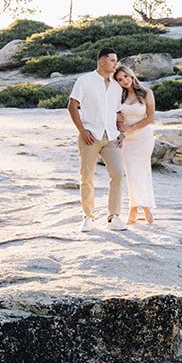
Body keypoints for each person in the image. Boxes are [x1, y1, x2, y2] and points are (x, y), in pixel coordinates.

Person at [68, 46, 128, 231]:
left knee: (118, 173)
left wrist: (121, 130)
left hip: (111, 136)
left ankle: (114, 217)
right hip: (90, 135)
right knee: (87, 176)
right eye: (112, 60)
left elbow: (117, 112)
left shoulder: (117, 86)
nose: (115, 64)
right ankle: (88, 216)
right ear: (102, 61)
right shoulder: (84, 81)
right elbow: (72, 105)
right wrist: (82, 130)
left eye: (116, 60)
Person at [114, 65, 156, 223]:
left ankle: (142, 208)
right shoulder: (118, 96)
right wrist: (120, 127)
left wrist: (132, 128)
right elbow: (115, 117)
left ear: (131, 75)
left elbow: (150, 117)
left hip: (143, 138)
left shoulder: (146, 93)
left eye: (125, 76)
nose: (124, 81)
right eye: (119, 79)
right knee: (131, 173)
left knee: (142, 171)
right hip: (126, 140)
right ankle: (135, 208)